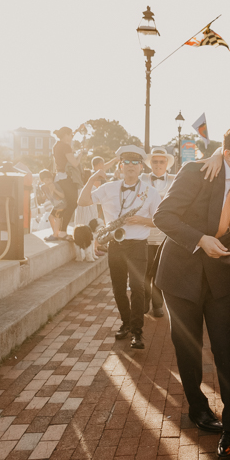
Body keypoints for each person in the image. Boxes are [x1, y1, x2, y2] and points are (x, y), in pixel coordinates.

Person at [153, 126, 230, 459]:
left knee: (224, 348)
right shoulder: (196, 172)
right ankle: (198, 410)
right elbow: (163, 216)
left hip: (221, 276)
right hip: (180, 274)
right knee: (187, 346)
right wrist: (200, 240)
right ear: (228, 154)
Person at [78, 145, 161, 349]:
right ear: (121, 166)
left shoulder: (150, 192)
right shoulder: (108, 188)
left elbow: (160, 221)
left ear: (141, 167)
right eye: (127, 162)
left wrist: (142, 220)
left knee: (138, 287)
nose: (131, 166)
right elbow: (82, 201)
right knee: (118, 288)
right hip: (115, 244)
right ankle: (126, 323)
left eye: (136, 162)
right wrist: (92, 178)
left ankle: (137, 332)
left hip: (138, 245)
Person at [140, 147, 177, 317]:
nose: (158, 164)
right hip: (145, 232)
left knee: (161, 270)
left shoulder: (175, 180)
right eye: (155, 161)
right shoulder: (142, 179)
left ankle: (157, 304)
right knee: (145, 270)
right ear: (150, 164)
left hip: (166, 234)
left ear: (167, 164)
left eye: (162, 161)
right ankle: (145, 302)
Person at [52, 127, 82, 240]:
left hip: (59, 177)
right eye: (70, 135)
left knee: (65, 204)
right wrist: (79, 156)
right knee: (73, 203)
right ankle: (62, 231)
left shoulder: (56, 145)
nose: (71, 137)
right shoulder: (65, 146)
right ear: (65, 135)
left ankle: (59, 231)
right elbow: (74, 163)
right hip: (66, 178)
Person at [39, 169, 66, 242]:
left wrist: (54, 190)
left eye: (50, 179)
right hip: (56, 205)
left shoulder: (55, 185)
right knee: (50, 217)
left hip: (61, 204)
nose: (50, 181)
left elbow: (63, 196)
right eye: (47, 180)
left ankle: (55, 234)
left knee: (57, 218)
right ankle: (56, 233)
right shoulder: (43, 187)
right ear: (42, 181)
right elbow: (46, 196)